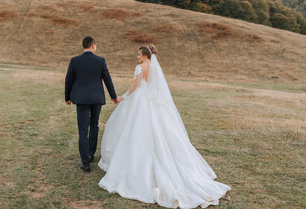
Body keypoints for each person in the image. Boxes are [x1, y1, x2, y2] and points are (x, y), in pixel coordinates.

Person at [98, 44, 231, 208]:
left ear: (145, 55)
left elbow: (135, 86)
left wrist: (122, 97)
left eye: (139, 54)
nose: (137, 57)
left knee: (134, 132)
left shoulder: (140, 67)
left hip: (139, 101)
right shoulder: (154, 67)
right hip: (152, 102)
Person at [65, 36, 121, 172]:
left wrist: (67, 97)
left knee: (83, 130)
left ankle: (85, 162)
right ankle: (90, 154)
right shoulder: (100, 61)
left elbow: (68, 80)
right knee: (94, 125)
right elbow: (108, 80)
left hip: (81, 99)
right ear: (93, 46)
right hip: (96, 98)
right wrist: (114, 96)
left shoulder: (75, 61)